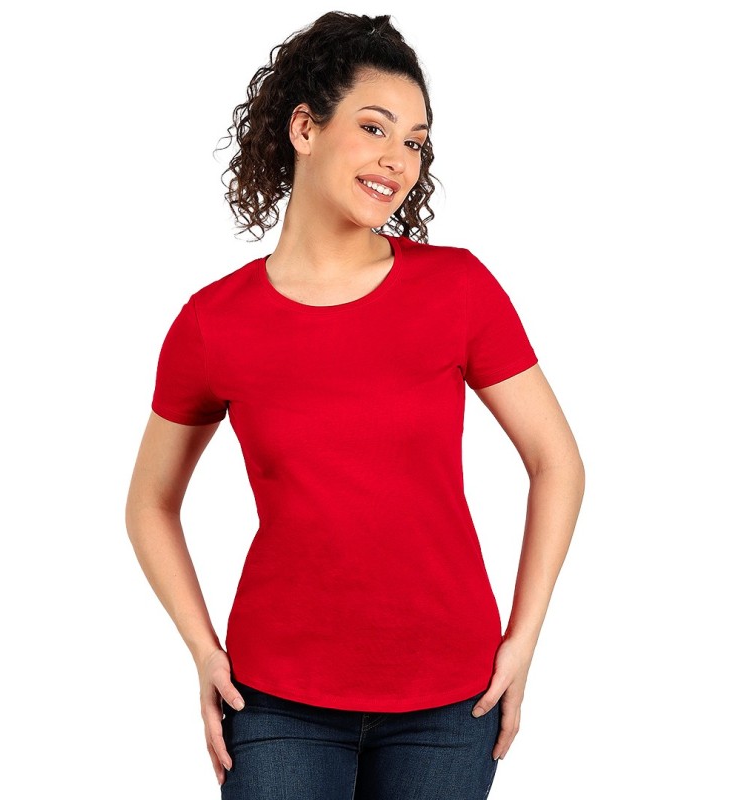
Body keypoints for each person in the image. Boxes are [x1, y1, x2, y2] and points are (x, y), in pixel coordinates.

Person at [125, 11, 585, 799]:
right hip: (275, 698)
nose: (398, 159)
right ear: (305, 128)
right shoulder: (214, 322)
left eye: (415, 141)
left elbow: (557, 462)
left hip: (451, 699)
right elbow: (150, 503)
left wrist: (525, 637)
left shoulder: (458, 288)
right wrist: (203, 649)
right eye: (374, 128)